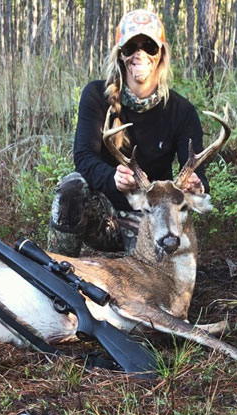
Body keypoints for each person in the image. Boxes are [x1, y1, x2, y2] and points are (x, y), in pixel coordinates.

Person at [47, 9, 208, 257]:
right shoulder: (96, 96)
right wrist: (112, 177)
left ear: (161, 54)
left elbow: (198, 175)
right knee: (71, 188)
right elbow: (84, 156)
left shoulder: (182, 111)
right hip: (104, 213)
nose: (139, 54)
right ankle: (56, 272)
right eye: (131, 46)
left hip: (150, 218)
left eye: (149, 46)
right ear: (120, 54)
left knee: (155, 282)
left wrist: (196, 185)